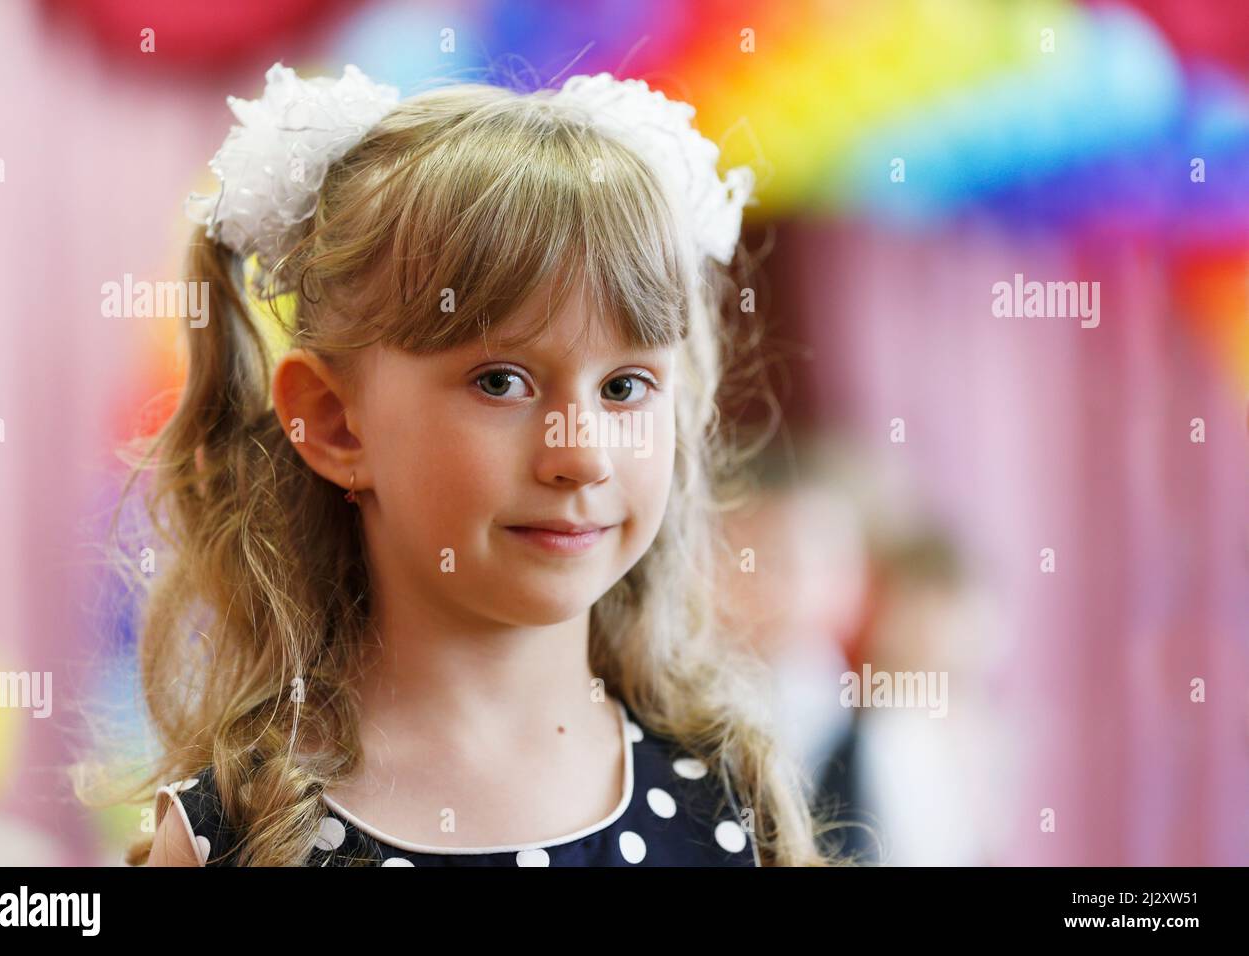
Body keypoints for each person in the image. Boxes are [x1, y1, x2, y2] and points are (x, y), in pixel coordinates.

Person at [85, 62, 831, 866]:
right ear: (337, 424)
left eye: (625, 386)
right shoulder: (242, 839)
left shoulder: (728, 799)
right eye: (501, 381)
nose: (581, 455)